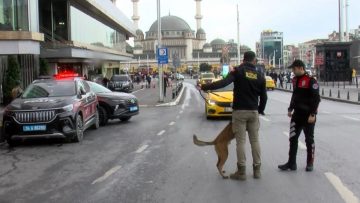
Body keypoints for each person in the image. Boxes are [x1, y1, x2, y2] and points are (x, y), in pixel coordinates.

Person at [201, 51, 267, 180]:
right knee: (255, 141)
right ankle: (257, 170)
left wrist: (205, 86)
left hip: (239, 112)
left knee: (240, 142)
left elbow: (223, 83)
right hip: (253, 112)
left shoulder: (238, 71)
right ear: (254, 61)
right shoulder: (260, 75)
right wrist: (260, 110)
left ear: (243, 60)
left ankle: (241, 172)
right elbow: (264, 96)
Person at [278, 60, 321, 172]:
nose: (293, 71)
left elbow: (316, 99)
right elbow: (295, 95)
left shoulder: (311, 81)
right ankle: (291, 163)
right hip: (296, 115)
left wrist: (313, 114)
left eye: (294, 69)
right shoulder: (295, 80)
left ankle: (310, 163)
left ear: (301, 68)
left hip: (308, 116)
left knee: (309, 140)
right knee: (293, 139)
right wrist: (290, 108)